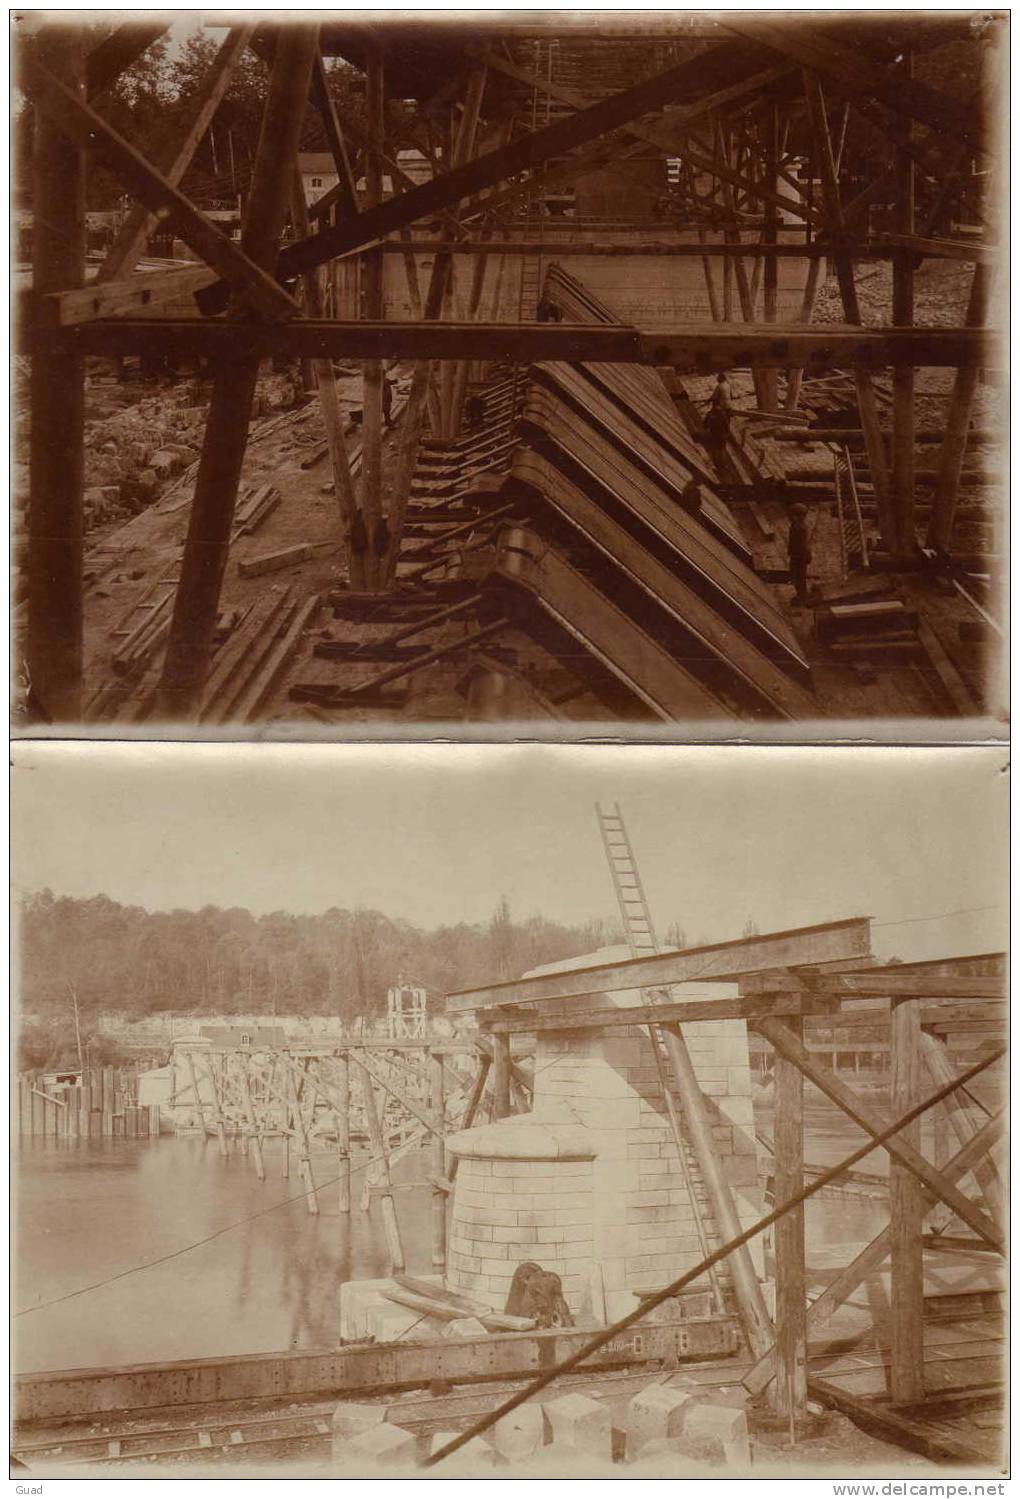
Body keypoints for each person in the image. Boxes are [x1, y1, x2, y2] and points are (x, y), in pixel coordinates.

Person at [787, 502, 812, 606]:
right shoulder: (795, 525)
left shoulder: (800, 528)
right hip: (796, 555)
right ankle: (800, 595)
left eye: (792, 515)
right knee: (797, 576)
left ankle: (802, 598)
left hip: (800, 557)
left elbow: (803, 545)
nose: (790, 517)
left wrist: (806, 555)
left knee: (799, 577)